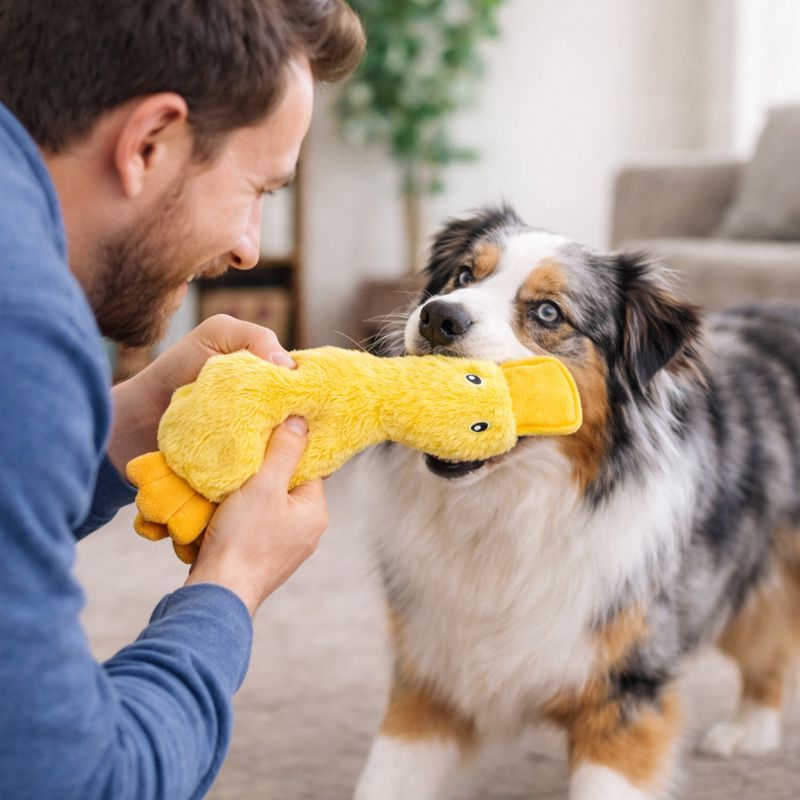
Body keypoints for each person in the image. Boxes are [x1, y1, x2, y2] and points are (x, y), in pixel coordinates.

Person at [0, 2, 364, 798]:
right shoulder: (21, 316)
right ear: (150, 142)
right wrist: (232, 582)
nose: (247, 246)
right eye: (255, 188)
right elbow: (80, 784)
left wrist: (127, 424)